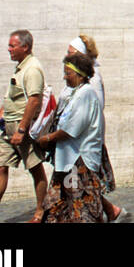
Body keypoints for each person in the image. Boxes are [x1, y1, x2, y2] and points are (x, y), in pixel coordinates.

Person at [0, 29, 48, 223]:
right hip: (8, 129)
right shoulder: (21, 67)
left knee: (35, 168)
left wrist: (21, 129)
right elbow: (15, 94)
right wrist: (3, 112)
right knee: (0, 166)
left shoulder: (32, 68)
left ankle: (40, 211)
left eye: (12, 45)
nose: (8, 49)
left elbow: (34, 100)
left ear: (25, 47)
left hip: (22, 129)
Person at [36, 50, 105, 223]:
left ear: (80, 75)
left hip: (79, 161)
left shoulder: (86, 94)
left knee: (82, 210)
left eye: (68, 73)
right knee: (59, 207)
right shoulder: (75, 93)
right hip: (68, 160)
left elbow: (71, 129)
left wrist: (48, 138)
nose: (65, 77)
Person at [65, 35, 124, 222]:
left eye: (71, 52)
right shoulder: (76, 76)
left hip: (85, 139)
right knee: (81, 182)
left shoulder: (94, 79)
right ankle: (109, 210)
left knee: (84, 182)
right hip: (75, 138)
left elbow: (94, 107)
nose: (67, 55)